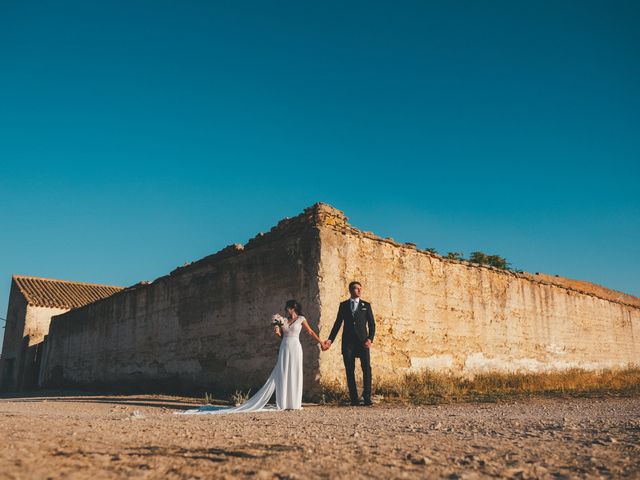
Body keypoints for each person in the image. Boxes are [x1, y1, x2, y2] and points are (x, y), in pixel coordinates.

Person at [181, 299, 323, 414]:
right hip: (285, 347)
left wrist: (321, 342)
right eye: (286, 308)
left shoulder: (301, 319)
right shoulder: (283, 321)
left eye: (288, 308)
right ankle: (284, 402)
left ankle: (294, 402)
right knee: (283, 372)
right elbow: (282, 337)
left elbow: (310, 332)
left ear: (293, 308)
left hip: (296, 347)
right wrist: (277, 332)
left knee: (294, 372)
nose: (286, 310)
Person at [323, 281, 376, 406]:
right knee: (349, 369)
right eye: (355, 288)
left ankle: (367, 397)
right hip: (348, 343)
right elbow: (337, 324)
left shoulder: (366, 305)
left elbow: (372, 324)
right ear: (350, 290)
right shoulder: (344, 305)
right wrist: (330, 340)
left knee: (366, 368)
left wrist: (370, 338)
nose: (358, 290)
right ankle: (354, 399)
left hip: (363, 342)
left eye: (359, 289)